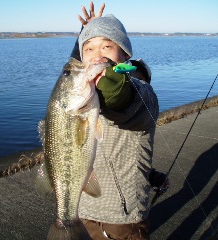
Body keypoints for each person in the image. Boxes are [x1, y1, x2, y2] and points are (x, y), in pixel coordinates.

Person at [70, 2, 169, 239]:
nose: (98, 56)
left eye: (107, 46)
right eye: (90, 49)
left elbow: (120, 97)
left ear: (125, 56)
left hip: (120, 220)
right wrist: (85, 35)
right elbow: (73, 75)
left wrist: (110, 81)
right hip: (82, 209)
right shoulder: (88, 93)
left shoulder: (143, 95)